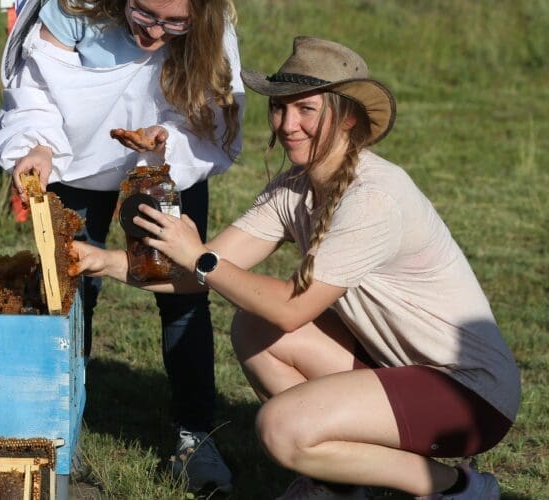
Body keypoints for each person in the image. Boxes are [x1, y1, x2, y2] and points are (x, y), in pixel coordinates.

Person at [69, 36, 520, 498]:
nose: (287, 124)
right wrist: (104, 261)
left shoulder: (374, 199)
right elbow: (204, 271)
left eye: (305, 109)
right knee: (254, 327)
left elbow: (284, 306)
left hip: (470, 396)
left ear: (347, 117)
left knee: (282, 428)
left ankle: (459, 487)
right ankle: (338, 484)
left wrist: (199, 257)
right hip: (398, 368)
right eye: (280, 109)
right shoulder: (296, 187)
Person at [0, 0, 244, 493]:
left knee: (182, 289)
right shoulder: (72, 10)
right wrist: (37, 144)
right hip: (73, 162)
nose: (154, 35)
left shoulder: (211, 29)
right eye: (145, 15)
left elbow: (213, 119)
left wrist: (165, 137)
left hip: (166, 166)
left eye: (174, 24)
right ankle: (59, 429)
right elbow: (34, 90)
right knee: (69, 286)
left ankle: (196, 435)